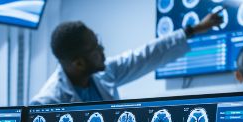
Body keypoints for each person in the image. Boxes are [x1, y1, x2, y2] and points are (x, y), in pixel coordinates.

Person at [30, 11, 224, 105]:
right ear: (79, 63)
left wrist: (195, 29)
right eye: (95, 47)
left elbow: (146, 55)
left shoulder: (103, 73)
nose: (102, 48)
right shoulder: (47, 103)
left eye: (98, 41)